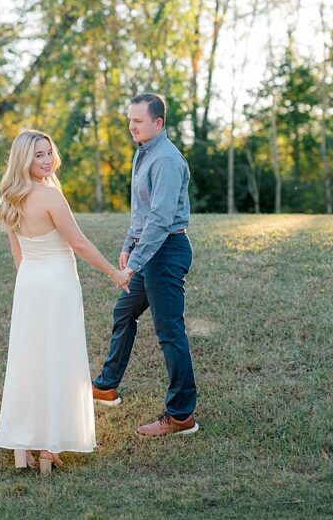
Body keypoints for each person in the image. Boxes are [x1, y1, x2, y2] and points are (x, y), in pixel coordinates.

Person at [0, 130, 132, 474]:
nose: (45, 160)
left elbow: (19, 256)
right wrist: (114, 275)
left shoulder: (9, 200)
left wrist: (29, 286)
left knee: (29, 362)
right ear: (23, 159)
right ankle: (48, 447)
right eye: (38, 155)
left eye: (48, 153)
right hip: (56, 285)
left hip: (28, 286)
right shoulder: (51, 197)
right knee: (56, 360)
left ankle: (22, 446)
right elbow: (79, 244)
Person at [91, 93, 199, 436]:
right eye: (129, 120)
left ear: (158, 123)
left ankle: (182, 415)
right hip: (148, 249)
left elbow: (160, 219)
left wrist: (133, 263)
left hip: (165, 251)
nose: (131, 126)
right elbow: (142, 212)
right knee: (125, 311)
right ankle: (106, 387)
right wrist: (128, 245)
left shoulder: (165, 159)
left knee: (170, 332)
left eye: (137, 121)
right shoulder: (145, 153)